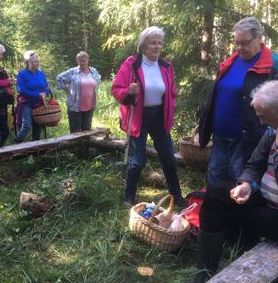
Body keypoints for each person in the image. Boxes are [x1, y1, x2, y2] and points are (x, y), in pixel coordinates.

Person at [193, 80, 278, 283]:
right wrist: (247, 185)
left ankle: (242, 253)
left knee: (240, 217)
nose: (261, 122)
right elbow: (254, 166)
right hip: (264, 203)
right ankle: (203, 272)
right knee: (216, 193)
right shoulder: (272, 132)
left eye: (264, 116)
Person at [111, 26, 185, 207]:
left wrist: (171, 106)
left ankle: (177, 196)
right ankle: (129, 197)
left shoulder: (166, 66)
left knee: (168, 157)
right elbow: (116, 89)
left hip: (159, 116)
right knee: (137, 161)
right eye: (153, 43)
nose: (157, 46)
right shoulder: (131, 64)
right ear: (143, 46)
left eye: (160, 43)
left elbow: (172, 92)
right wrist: (129, 91)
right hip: (139, 116)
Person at [199, 16, 278, 185]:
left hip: (246, 140)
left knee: (239, 184)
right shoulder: (231, 61)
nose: (240, 48)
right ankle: (216, 212)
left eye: (245, 43)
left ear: (259, 38)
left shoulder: (272, 64)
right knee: (215, 182)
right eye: (237, 43)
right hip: (220, 136)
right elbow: (217, 95)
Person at [56, 51, 101, 133]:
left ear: (88, 60)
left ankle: (85, 146)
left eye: (84, 60)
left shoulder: (93, 71)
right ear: (77, 61)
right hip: (75, 107)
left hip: (89, 106)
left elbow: (98, 81)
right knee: (75, 133)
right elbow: (59, 78)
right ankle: (75, 146)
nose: (82, 62)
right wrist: (68, 90)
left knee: (86, 131)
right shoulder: (73, 72)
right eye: (80, 61)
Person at [15, 50, 50, 142]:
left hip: (39, 103)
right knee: (26, 125)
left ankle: (35, 150)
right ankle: (16, 144)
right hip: (27, 103)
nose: (38, 63)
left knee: (37, 125)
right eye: (35, 61)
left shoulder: (41, 73)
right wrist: (37, 94)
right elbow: (21, 89)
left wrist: (45, 93)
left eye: (38, 61)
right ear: (28, 62)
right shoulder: (22, 74)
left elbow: (46, 87)